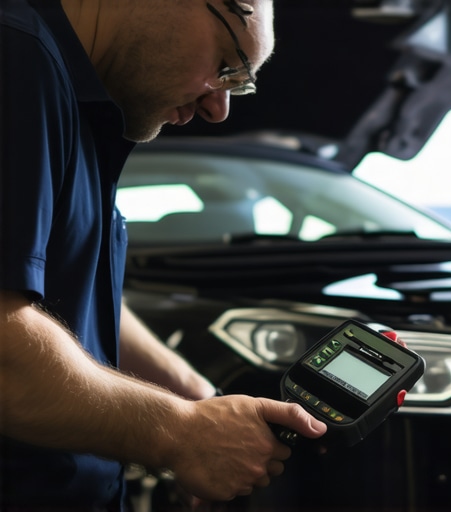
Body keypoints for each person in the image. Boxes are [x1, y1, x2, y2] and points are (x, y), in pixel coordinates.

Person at [0, 0, 328, 510]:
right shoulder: (15, 55)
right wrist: (178, 432)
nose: (219, 109)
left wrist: (193, 394)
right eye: (226, 66)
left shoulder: (79, 99)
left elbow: (61, 301)